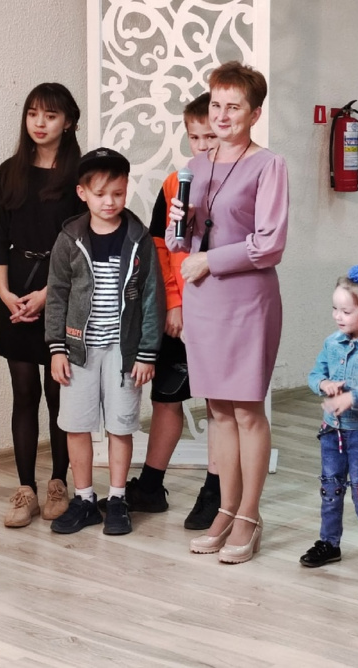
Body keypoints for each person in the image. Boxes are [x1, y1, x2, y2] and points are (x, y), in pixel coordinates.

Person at [166, 61, 289, 564]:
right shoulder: (195, 166)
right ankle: (225, 508)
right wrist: (179, 225)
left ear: (254, 114)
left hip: (246, 299)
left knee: (245, 410)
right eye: (216, 104)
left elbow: (270, 243)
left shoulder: (269, 165)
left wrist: (209, 260)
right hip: (203, 298)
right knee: (217, 410)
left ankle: (249, 515)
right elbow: (180, 242)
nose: (221, 115)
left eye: (233, 106)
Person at [45, 148, 165, 536]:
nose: (109, 202)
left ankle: (116, 499)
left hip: (123, 353)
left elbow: (152, 296)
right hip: (78, 352)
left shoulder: (138, 238)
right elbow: (57, 294)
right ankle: (84, 500)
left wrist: (146, 353)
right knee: (76, 425)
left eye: (117, 193)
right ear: (83, 194)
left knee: (120, 426)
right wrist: (57, 347)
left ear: (126, 189)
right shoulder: (70, 238)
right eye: (100, 194)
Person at [122, 93, 223, 530]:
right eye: (194, 137)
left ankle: (216, 490)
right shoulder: (173, 184)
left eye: (210, 137)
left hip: (220, 313)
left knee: (220, 406)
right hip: (179, 314)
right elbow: (161, 248)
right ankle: (150, 486)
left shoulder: (235, 184)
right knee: (166, 397)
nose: (202, 146)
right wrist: (174, 304)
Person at [0, 83, 84, 528]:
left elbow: (83, 242)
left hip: (60, 289)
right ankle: (25, 488)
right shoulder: (9, 172)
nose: (39, 123)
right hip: (15, 291)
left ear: (68, 122)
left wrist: (48, 293)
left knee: (58, 390)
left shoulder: (80, 175)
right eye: (32, 114)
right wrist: (4, 292)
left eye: (50, 115)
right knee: (24, 391)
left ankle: (58, 482)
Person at [302, 265, 358, 581]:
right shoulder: (332, 343)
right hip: (332, 431)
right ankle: (329, 543)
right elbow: (315, 374)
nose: (337, 316)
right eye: (335, 309)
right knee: (330, 488)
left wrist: (354, 397)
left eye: (346, 311)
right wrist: (323, 384)